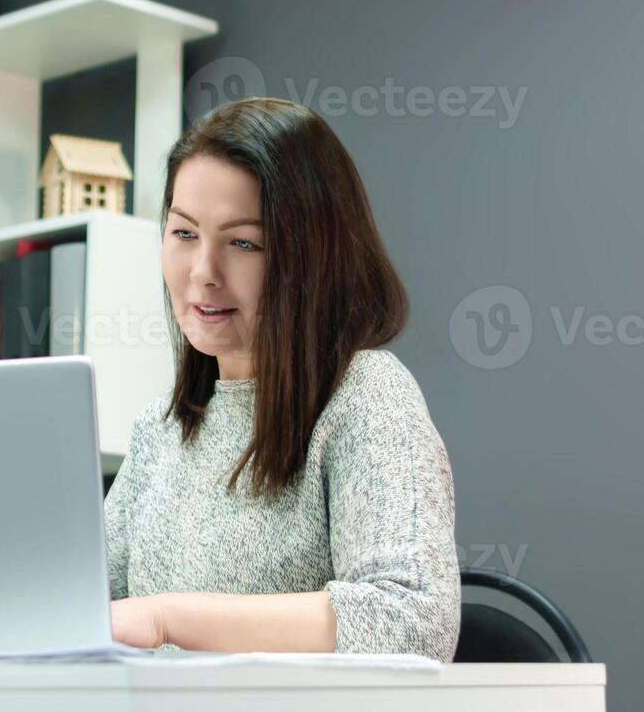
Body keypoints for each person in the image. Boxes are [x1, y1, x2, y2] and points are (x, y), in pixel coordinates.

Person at [103, 97, 461, 661]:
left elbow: (412, 620)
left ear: (312, 257)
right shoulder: (162, 429)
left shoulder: (366, 397)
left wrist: (167, 618)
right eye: (184, 233)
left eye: (243, 243)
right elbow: (83, 608)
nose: (203, 273)